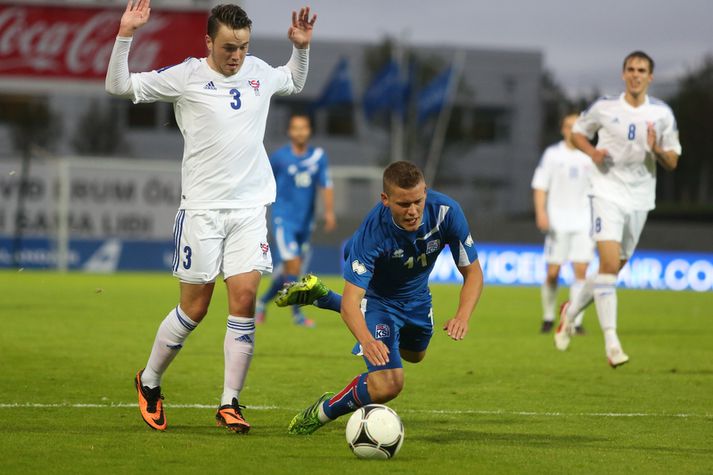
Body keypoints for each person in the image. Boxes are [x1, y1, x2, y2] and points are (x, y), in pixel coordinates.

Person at [105, 0, 317, 433]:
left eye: (241, 46)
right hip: (201, 211)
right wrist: (126, 34)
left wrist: (301, 49)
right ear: (208, 42)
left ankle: (230, 403)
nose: (235, 55)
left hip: (250, 210)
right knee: (195, 308)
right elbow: (118, 86)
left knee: (242, 301)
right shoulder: (186, 76)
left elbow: (294, 82)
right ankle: (149, 382)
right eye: (227, 47)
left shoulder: (257, 71)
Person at [274, 161, 483, 435]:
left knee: (415, 355)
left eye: (418, 201)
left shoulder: (447, 212)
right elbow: (352, 303)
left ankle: (323, 297)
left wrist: (462, 316)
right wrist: (367, 339)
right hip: (378, 300)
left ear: (426, 193)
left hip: (418, 298)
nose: (412, 211)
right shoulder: (371, 234)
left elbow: (473, 273)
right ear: (385, 199)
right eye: (403, 204)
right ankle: (323, 411)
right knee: (387, 385)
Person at [555, 51, 681, 367]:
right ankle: (612, 344)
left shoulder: (662, 114)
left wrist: (656, 148)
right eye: (630, 69)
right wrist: (593, 153)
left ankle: (570, 312)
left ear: (650, 77)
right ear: (623, 73)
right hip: (605, 192)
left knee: (612, 269)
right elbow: (577, 132)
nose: (635, 74)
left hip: (639, 198)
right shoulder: (604, 106)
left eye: (641, 70)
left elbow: (673, 161)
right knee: (609, 265)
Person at [255, 113, 336, 327]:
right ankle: (297, 315)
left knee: (291, 270)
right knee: (293, 265)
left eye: (304, 127)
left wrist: (328, 212)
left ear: (309, 131)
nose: (300, 132)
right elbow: (263, 181)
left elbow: (326, 184)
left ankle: (262, 302)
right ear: (290, 132)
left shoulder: (318, 157)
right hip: (284, 220)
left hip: (305, 222)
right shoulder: (280, 158)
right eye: (296, 128)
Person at [531, 113, 595, 334]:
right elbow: (540, 186)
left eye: (577, 127)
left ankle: (574, 321)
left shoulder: (589, 157)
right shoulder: (552, 155)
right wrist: (541, 212)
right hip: (557, 221)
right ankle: (549, 316)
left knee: (581, 271)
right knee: (553, 272)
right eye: (568, 126)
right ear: (562, 129)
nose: (572, 130)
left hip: (583, 222)